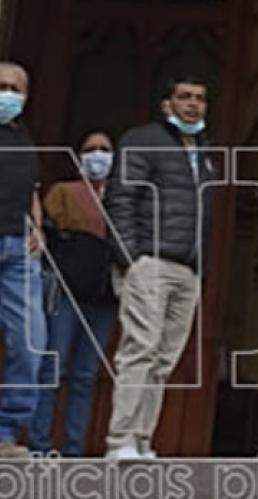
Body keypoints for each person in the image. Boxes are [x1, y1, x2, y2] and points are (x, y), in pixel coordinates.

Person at [105, 76, 215, 460]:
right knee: (140, 350)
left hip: (188, 270)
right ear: (167, 103)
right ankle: (120, 441)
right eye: (184, 97)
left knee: (164, 360)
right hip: (150, 263)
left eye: (200, 99)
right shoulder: (143, 139)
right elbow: (121, 199)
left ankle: (141, 440)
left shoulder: (203, 152)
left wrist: (201, 268)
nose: (193, 105)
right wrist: (131, 260)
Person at [30, 130, 119, 457]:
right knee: (52, 369)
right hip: (67, 293)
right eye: (90, 149)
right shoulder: (64, 192)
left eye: (104, 149)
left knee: (85, 376)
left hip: (104, 299)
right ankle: (39, 445)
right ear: (79, 155)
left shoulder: (121, 198)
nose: (97, 155)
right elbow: (47, 233)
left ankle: (73, 451)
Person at [0, 61, 47, 459]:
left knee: (31, 341)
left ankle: (5, 434)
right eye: (0, 86)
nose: (7, 94)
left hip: (18, 249)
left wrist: (38, 226)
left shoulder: (24, 137)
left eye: (15, 88)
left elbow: (31, 187)